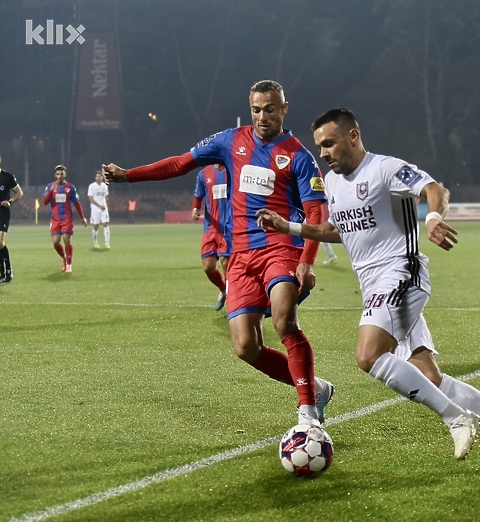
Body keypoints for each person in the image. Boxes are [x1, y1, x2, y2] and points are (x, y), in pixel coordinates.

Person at [257, 108, 480, 464]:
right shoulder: (332, 183)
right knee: (429, 377)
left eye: (329, 143)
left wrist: (434, 216)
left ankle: (455, 418)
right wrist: (289, 227)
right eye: (320, 147)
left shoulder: (386, 168)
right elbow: (336, 230)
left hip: (402, 273)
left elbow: (435, 189)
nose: (324, 153)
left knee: (368, 355)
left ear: (353, 136)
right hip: (377, 286)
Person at [102, 80, 334, 425]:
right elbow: (180, 163)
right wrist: (129, 176)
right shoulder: (230, 140)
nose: (262, 116)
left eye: (270, 109)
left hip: (280, 248)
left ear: (284, 109)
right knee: (246, 346)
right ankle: (315, 387)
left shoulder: (299, 156)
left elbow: (316, 213)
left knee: (285, 320)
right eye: (256, 109)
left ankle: (308, 414)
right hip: (240, 256)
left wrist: (307, 261)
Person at [192, 163, 232, 311]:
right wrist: (195, 208)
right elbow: (198, 196)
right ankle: (223, 290)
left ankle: (232, 304)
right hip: (210, 228)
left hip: (228, 228)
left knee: (226, 264)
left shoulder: (232, 170)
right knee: (208, 266)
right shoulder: (204, 174)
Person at [43, 165, 87, 274]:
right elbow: (45, 202)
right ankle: (64, 257)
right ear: (55, 175)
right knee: (56, 242)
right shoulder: (50, 186)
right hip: (55, 219)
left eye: (61, 174)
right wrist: (50, 192)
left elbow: (76, 203)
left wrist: (83, 217)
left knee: (67, 239)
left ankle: (69, 265)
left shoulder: (70, 187)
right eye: (57, 174)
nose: (59, 176)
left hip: (67, 218)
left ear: (65, 174)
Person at [0, 154, 24, 283]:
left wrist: (10, 201)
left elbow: (19, 192)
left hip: (3, 212)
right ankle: (2, 273)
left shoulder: (7, 177)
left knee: (0, 242)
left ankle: (9, 271)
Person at [87, 171, 111, 249]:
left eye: (100, 176)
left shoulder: (105, 186)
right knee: (96, 226)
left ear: (102, 177)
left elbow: (106, 196)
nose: (98, 178)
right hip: (95, 208)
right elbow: (90, 198)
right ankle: (95, 242)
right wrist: (99, 205)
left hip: (103, 208)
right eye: (97, 176)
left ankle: (107, 243)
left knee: (106, 224)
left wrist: (104, 204)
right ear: (95, 178)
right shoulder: (92, 186)